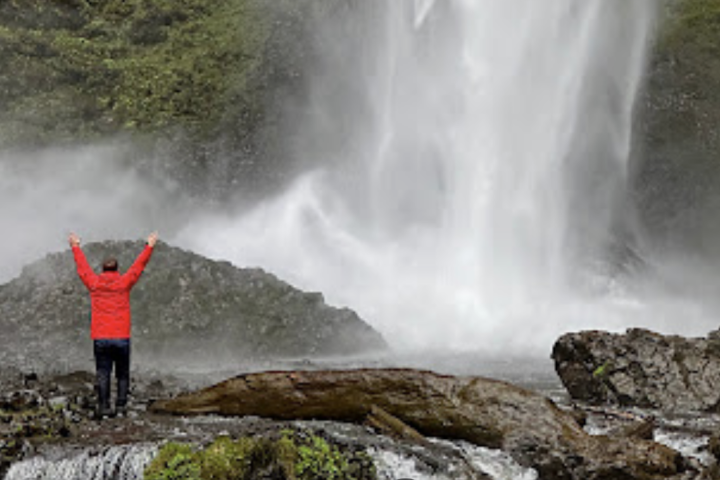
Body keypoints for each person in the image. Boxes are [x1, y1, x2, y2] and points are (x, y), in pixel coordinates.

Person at [68, 232, 158, 418]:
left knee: (103, 372)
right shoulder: (124, 282)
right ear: (117, 269)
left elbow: (82, 268)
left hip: (101, 337)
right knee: (122, 374)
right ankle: (121, 406)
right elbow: (138, 266)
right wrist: (149, 246)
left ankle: (104, 406)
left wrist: (75, 246)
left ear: (102, 269)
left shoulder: (94, 283)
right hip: (121, 337)